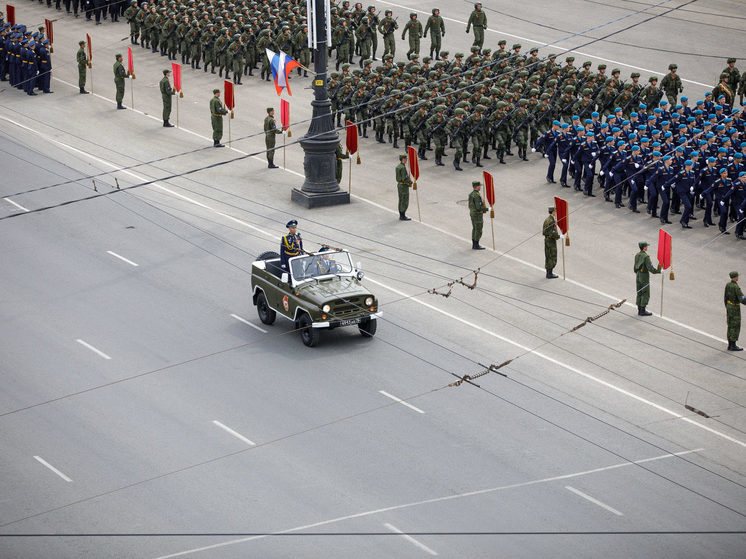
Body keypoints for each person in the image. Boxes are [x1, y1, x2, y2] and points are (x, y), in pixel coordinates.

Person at [634, 241, 661, 316]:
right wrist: (659, 271)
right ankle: (643, 310)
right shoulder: (646, 257)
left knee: (639, 292)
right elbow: (651, 269)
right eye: (646, 246)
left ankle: (639, 309)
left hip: (638, 275)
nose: (647, 247)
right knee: (645, 293)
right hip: (644, 276)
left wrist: (638, 274)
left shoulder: (637, 255)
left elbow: (635, 267)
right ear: (644, 247)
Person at [724, 271, 746, 351]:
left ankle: (730, 344)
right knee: (735, 326)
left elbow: (725, 297)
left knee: (730, 325)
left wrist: (727, 306)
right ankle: (733, 345)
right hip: (735, 308)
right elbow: (742, 298)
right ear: (735, 277)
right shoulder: (736, 287)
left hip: (729, 306)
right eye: (737, 276)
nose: (738, 277)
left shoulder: (728, 285)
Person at [542, 206, 562, 278]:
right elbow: (552, 232)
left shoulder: (548, 219)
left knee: (548, 256)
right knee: (552, 256)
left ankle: (548, 273)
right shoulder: (551, 221)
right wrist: (559, 236)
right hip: (550, 241)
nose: (556, 213)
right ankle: (550, 274)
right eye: (555, 211)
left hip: (547, 240)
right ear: (553, 212)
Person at [469, 180, 488, 250]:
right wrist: (487, 209)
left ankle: (474, 244)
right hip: (477, 215)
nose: (480, 187)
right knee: (479, 229)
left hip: (472, 214)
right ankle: (476, 245)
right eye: (479, 186)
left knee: (474, 228)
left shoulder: (471, 194)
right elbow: (478, 207)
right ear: (477, 187)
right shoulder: (476, 196)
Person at [395, 153, 412, 221]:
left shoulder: (398, 166)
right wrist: (410, 182)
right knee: (404, 200)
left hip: (400, 185)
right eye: (405, 159)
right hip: (403, 186)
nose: (406, 160)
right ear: (403, 159)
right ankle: (402, 215)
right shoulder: (402, 168)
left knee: (401, 199)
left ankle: (401, 215)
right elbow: (404, 178)